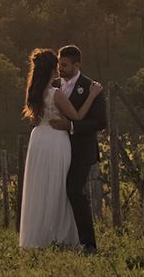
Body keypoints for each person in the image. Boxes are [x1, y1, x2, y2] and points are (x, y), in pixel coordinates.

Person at [18, 48, 102, 249]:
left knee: (40, 188)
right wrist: (92, 95)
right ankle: (61, 236)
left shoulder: (34, 91)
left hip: (39, 140)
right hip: (56, 141)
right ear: (51, 70)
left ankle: (39, 237)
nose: (60, 68)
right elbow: (78, 116)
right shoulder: (55, 93)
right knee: (56, 188)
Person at [48, 45, 107, 254]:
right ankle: (59, 238)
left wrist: (71, 126)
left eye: (64, 65)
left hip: (81, 151)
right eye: (58, 64)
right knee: (56, 193)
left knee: (74, 191)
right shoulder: (53, 85)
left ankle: (89, 244)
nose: (60, 69)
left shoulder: (92, 87)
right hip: (56, 150)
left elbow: (100, 122)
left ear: (76, 65)